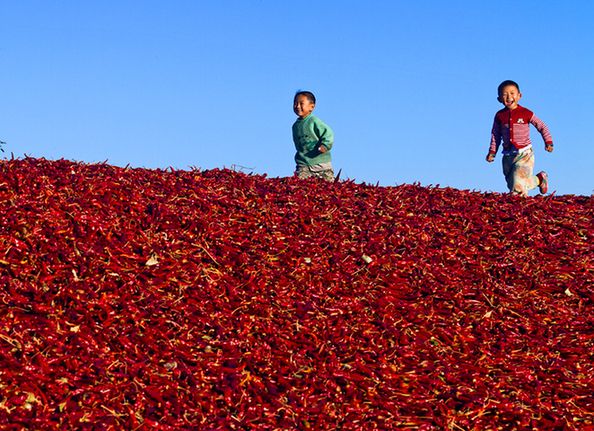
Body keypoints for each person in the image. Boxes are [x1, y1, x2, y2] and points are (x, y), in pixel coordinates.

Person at [486, 80, 554, 196]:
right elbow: (495, 135)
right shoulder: (499, 116)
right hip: (507, 155)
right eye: (505, 94)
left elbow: (542, 126)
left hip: (524, 154)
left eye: (512, 93)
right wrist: (492, 151)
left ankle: (518, 206)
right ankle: (539, 179)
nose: (509, 97)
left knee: (517, 186)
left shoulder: (526, 113)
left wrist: (548, 141)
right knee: (513, 183)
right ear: (499, 99)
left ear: (519, 96)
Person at [292, 90, 335, 181]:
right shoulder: (295, 125)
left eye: (301, 103)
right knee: (301, 185)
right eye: (295, 103)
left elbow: (328, 133)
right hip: (303, 164)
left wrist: (325, 145)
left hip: (321, 164)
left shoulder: (313, 121)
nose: (298, 106)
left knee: (327, 185)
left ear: (311, 107)